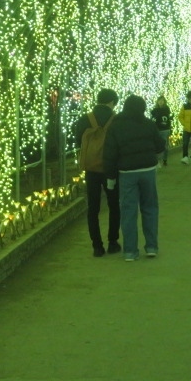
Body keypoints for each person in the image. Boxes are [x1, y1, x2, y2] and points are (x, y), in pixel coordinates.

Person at [103, 95, 165, 261]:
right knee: (150, 208)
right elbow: (160, 145)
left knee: (128, 211)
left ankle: (130, 251)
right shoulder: (149, 124)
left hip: (127, 173)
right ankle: (151, 246)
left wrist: (110, 177)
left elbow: (110, 154)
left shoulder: (116, 126)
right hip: (148, 170)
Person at [74, 88, 121, 257]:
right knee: (114, 205)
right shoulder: (116, 119)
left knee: (93, 207)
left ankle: (97, 247)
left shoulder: (85, 119)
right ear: (111, 102)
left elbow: (77, 139)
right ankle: (113, 242)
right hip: (111, 169)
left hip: (91, 169)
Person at [150, 95, 171, 167]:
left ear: (164, 101)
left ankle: (164, 159)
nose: (160, 102)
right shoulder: (155, 110)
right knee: (157, 145)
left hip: (165, 129)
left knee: (165, 146)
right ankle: (158, 160)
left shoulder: (166, 109)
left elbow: (165, 115)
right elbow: (152, 117)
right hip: (157, 129)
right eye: (159, 100)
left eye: (162, 100)